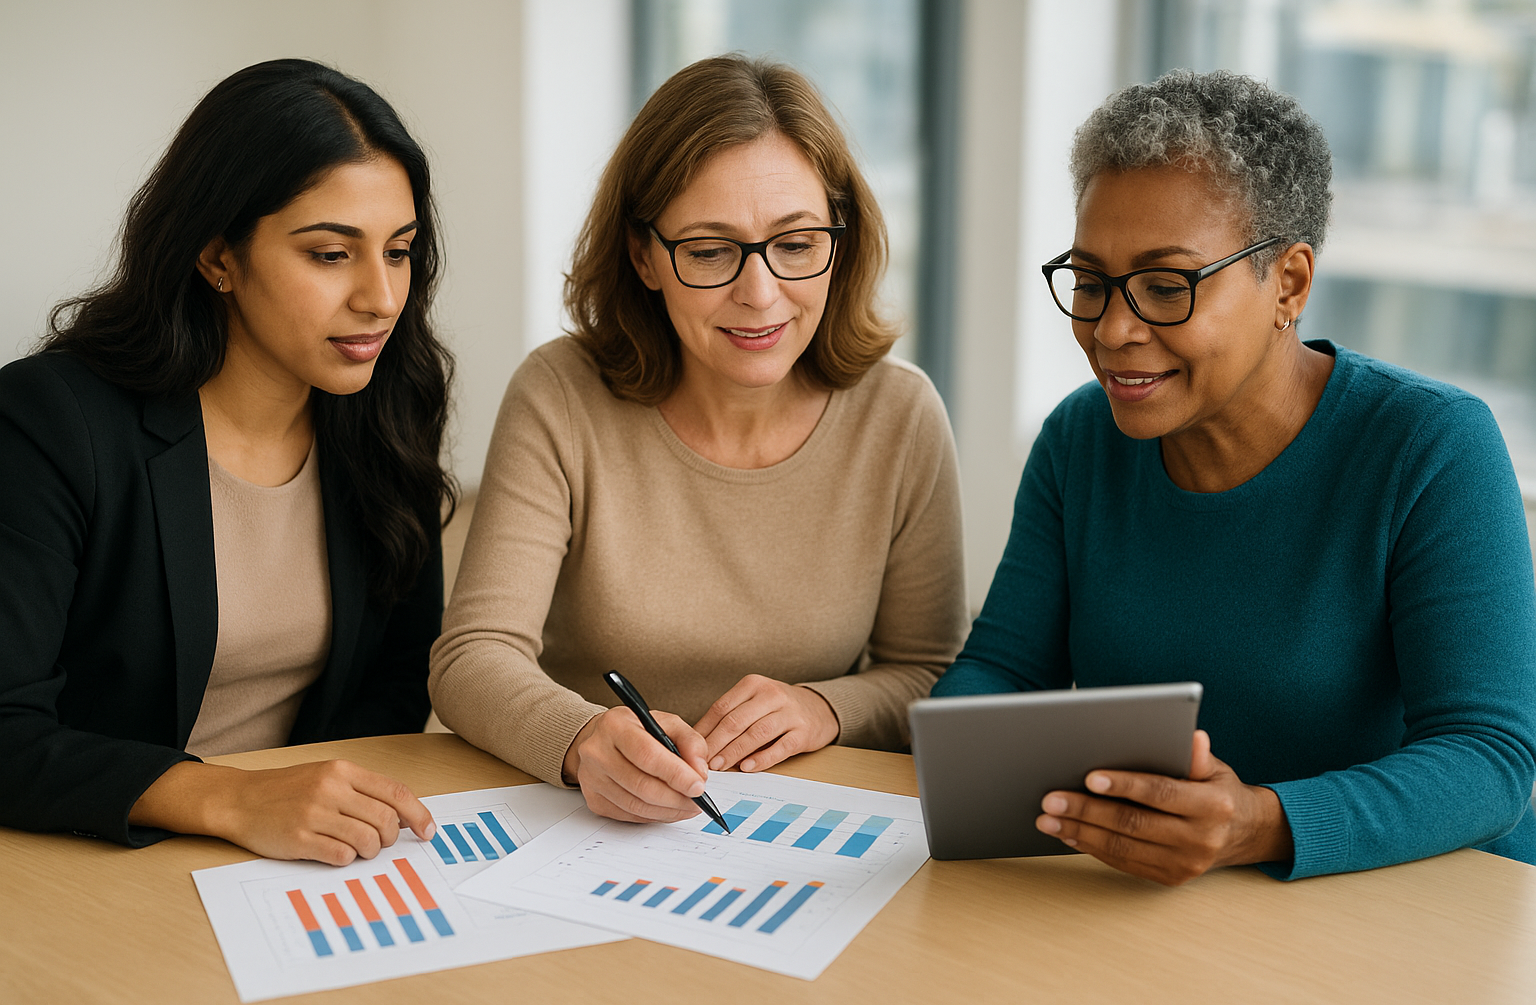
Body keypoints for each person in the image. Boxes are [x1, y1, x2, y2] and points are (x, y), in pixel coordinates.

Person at [931, 69, 1536, 884]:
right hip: (1154, 905)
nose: (1112, 329)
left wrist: (1262, 823)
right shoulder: (1081, 438)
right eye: (1090, 281)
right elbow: (1003, 669)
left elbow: (1491, 758)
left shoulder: (1429, 445)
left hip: (1408, 911)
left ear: (1287, 282)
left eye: (1166, 286)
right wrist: (964, 772)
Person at [430, 55, 967, 824]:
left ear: (838, 242)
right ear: (644, 256)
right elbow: (470, 656)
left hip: (801, 838)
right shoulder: (561, 394)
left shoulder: (901, 414)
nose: (760, 292)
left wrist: (825, 708)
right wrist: (582, 738)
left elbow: (931, 671)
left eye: (796, 242)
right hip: (582, 827)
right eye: (711, 251)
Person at [0, 60, 456, 864]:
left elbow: (395, 679)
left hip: (291, 865)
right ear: (218, 256)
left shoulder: (388, 406)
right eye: (329, 254)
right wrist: (228, 797)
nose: (382, 297)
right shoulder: (49, 420)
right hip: (92, 853)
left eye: (400, 250)